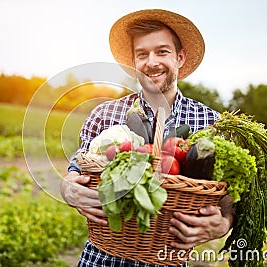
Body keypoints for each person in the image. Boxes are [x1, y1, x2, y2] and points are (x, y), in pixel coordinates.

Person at [61, 9, 234, 267]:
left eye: (162, 51)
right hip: (101, 259)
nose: (151, 62)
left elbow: (231, 194)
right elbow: (76, 169)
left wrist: (224, 222)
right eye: (142, 54)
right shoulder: (104, 115)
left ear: (180, 57)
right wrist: (68, 189)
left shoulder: (212, 124)